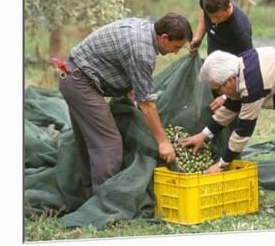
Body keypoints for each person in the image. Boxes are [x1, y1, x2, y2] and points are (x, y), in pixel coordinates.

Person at [181, 47, 275, 217]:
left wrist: (221, 165)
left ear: (230, 80)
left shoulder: (253, 83)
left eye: (218, 89)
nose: (218, 94)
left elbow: (243, 131)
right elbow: (231, 106)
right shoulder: (239, 69)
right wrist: (204, 135)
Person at [59, 13, 192, 199]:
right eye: (176, 46)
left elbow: (125, 69)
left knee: (88, 142)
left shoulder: (144, 28)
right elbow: (146, 104)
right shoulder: (142, 50)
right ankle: (105, 205)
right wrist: (163, 142)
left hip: (74, 76)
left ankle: (90, 197)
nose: (176, 52)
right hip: (81, 84)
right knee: (108, 144)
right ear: (164, 37)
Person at [188, 0, 253, 112]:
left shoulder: (240, 31)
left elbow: (248, 67)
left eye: (218, 17)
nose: (213, 21)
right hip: (213, 69)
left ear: (228, 7)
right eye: (210, 16)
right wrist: (198, 36)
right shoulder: (207, 1)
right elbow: (203, 12)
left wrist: (226, 96)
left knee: (227, 113)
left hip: (230, 80)